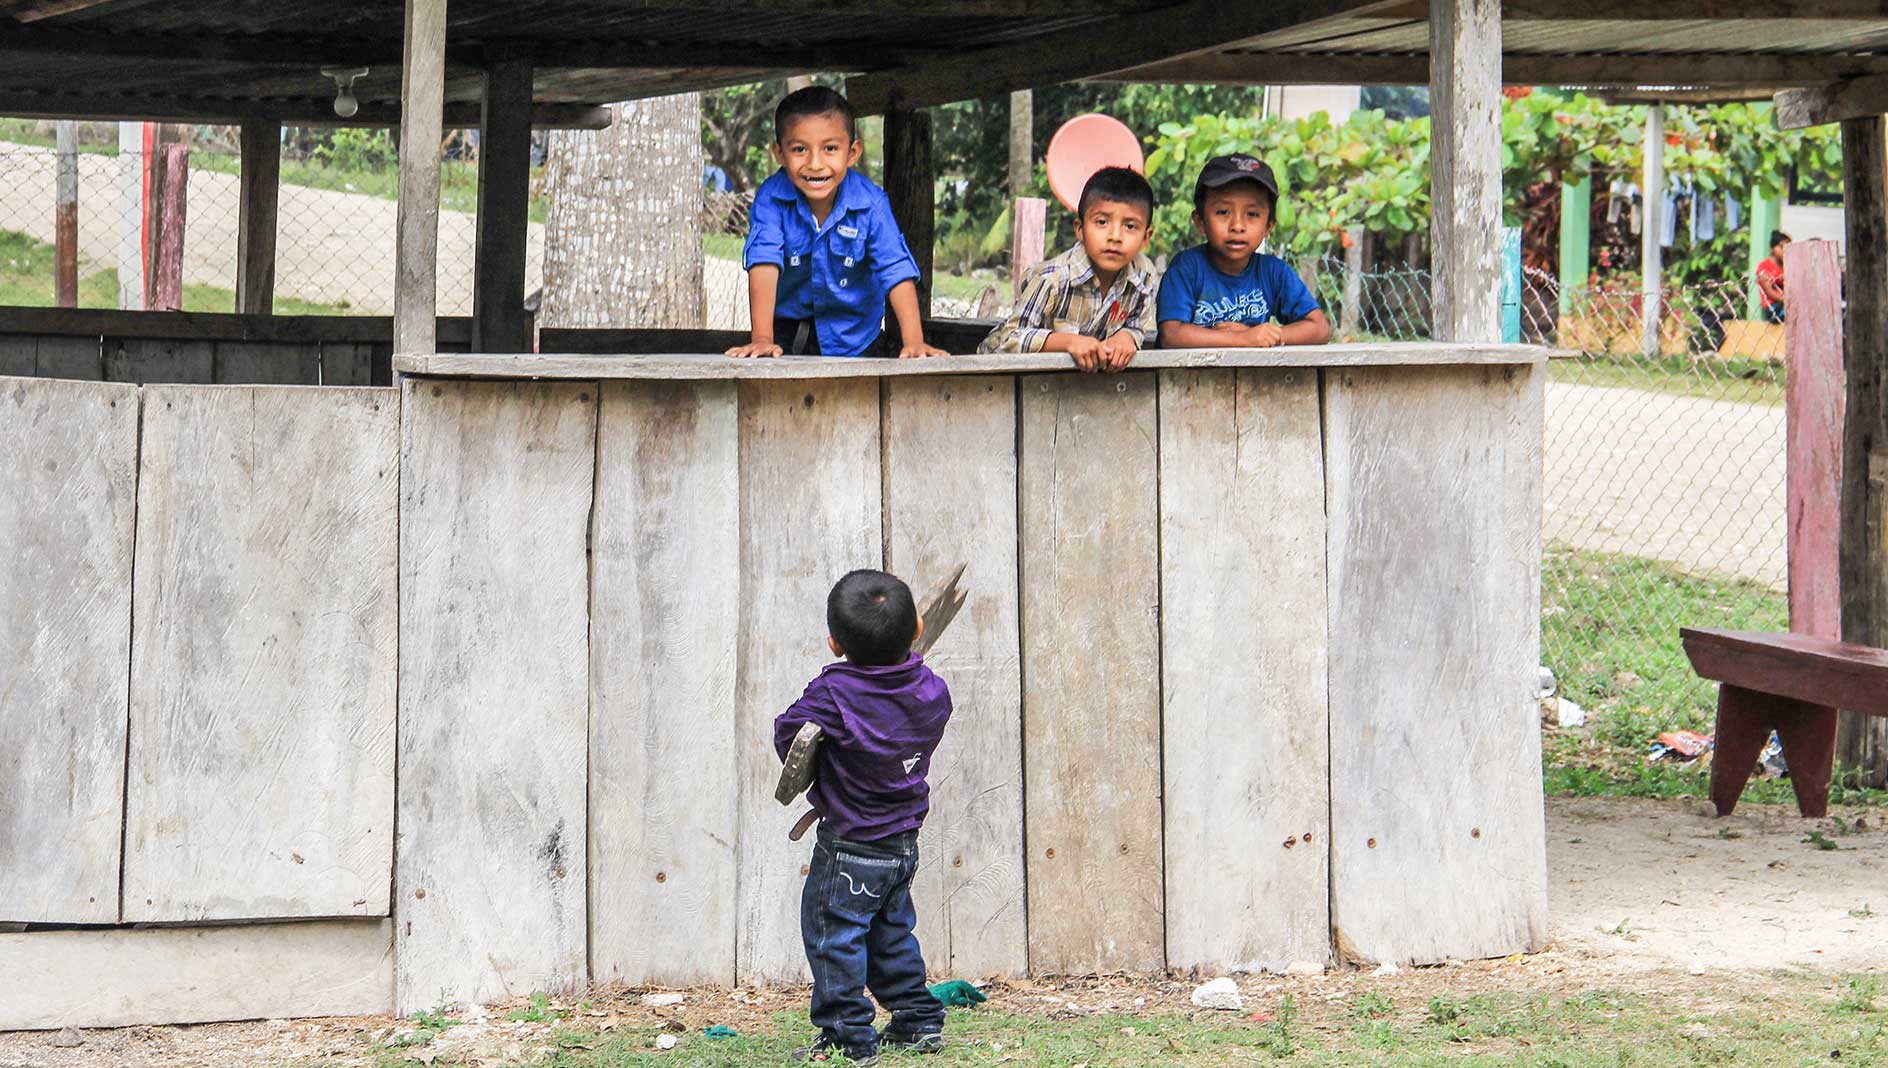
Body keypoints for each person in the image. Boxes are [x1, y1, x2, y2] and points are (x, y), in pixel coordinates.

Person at [774, 569, 953, 1065]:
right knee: (888, 931)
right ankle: (917, 1019)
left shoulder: (833, 695)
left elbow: (790, 738)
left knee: (833, 934)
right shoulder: (932, 691)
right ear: (917, 628)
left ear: (834, 643)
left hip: (850, 845)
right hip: (902, 842)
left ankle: (845, 1036)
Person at [727, 87, 946, 359]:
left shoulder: (871, 204)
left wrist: (913, 341)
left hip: (855, 338)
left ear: (852, 153)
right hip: (784, 336)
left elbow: (896, 269)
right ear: (780, 154)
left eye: (830, 148)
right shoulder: (772, 198)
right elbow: (764, 261)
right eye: (799, 149)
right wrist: (762, 338)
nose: (815, 163)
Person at [976, 166, 1157, 372]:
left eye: (1130, 226)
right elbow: (1010, 339)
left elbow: (1135, 325)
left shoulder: (1144, 277)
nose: (1115, 236)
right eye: (1102, 222)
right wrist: (1068, 343)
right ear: (1080, 229)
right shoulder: (1052, 279)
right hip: (998, 377)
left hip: (1074, 385)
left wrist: (1126, 337)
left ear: (1145, 237)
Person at [1155, 154, 1331, 349]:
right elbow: (1171, 335)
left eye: (1252, 214)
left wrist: (1268, 335)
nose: (1237, 226)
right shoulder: (1187, 268)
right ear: (1200, 221)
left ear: (1268, 226)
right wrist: (1244, 339)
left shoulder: (1274, 272)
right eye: (1223, 212)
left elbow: (1319, 329)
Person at [1757, 229, 1790, 324]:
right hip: (1773, 307)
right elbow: (1769, 292)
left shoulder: (1788, 265)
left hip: (1788, 303)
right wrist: (1788, 300)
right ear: (1772, 248)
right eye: (1781, 247)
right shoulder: (1764, 266)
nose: (1785, 250)